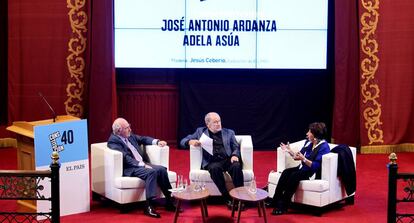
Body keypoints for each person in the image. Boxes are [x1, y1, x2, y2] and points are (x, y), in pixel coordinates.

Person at [107, 117, 177, 218]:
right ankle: (149, 206)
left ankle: (169, 201)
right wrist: (142, 165)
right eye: (127, 128)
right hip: (130, 168)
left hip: (141, 163)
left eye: (129, 126)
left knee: (161, 169)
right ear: (119, 131)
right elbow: (125, 158)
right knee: (151, 172)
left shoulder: (129, 135)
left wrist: (156, 142)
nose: (130, 129)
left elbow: (143, 139)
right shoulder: (113, 141)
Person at [180, 112, 244, 209]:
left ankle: (240, 198)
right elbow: (182, 141)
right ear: (208, 124)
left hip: (227, 159)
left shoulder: (229, 132)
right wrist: (190, 141)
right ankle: (227, 198)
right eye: (215, 122)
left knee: (236, 166)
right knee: (214, 168)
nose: (218, 124)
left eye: (219, 121)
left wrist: (235, 155)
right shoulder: (200, 132)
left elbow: (236, 146)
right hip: (212, 161)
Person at [271, 122, 330, 215]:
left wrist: (304, 159)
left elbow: (316, 166)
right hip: (302, 168)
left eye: (309, 132)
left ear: (315, 135)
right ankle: (275, 200)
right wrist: (289, 151)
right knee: (286, 172)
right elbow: (296, 157)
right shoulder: (309, 143)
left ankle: (284, 205)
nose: (307, 133)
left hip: (311, 172)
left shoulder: (324, 147)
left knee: (294, 176)